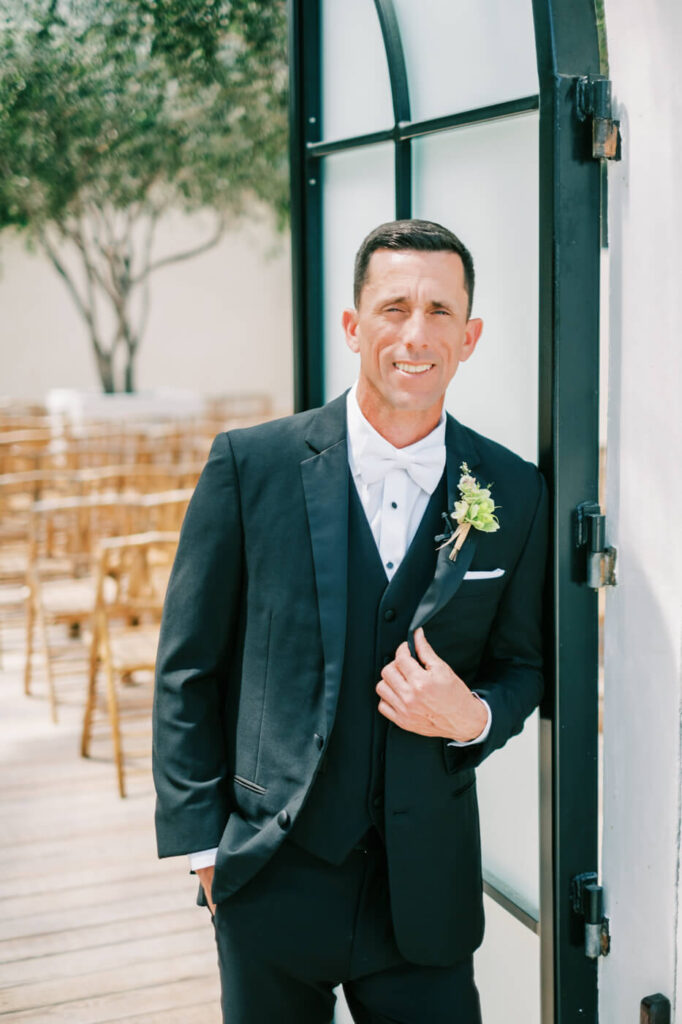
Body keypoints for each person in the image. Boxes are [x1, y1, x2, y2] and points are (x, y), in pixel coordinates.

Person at [152, 218, 548, 1023]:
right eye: (394, 306)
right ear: (352, 325)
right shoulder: (250, 465)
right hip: (271, 874)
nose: (416, 332)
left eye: (441, 311)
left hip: (424, 895)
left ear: (470, 337)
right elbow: (189, 668)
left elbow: (525, 666)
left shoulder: (513, 488)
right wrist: (206, 852)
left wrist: (473, 715)